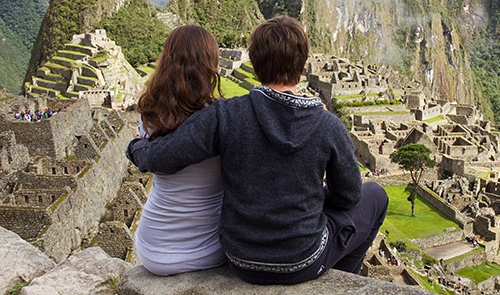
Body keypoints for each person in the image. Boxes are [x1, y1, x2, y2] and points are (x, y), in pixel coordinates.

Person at [127, 16, 389, 285]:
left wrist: (135, 147)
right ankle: (341, 283)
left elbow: (163, 157)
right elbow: (349, 196)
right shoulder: (328, 125)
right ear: (303, 63)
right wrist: (304, 200)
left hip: (240, 259)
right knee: (375, 196)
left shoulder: (225, 115)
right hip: (302, 260)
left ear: (253, 62)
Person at [133, 24, 226, 275]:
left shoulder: (147, 113)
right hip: (204, 249)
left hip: (150, 247)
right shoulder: (219, 118)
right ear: (210, 63)